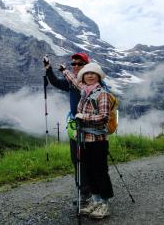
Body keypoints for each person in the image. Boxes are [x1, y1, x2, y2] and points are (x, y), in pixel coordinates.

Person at [62, 62, 114, 219]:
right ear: (83, 77)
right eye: (87, 73)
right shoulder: (84, 91)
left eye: (93, 73)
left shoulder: (102, 93)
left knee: (100, 172)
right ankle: (95, 200)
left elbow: (104, 117)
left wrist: (84, 117)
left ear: (98, 77)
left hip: (98, 141)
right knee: (89, 171)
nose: (90, 75)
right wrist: (63, 70)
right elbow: (73, 80)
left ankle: (104, 204)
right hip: (85, 140)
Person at [43, 52, 91, 204]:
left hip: (90, 126)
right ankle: (83, 192)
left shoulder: (90, 81)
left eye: (79, 64)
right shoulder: (71, 82)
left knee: (89, 159)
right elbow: (56, 83)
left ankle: (93, 191)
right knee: (76, 159)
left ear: (86, 66)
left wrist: (65, 71)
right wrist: (48, 69)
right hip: (75, 126)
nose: (75, 66)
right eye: (74, 64)